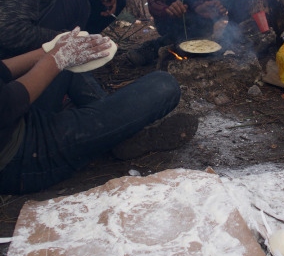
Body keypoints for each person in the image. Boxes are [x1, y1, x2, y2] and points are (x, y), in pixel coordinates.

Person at [0, 27, 198, 195]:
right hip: (20, 154)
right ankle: (120, 136)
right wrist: (56, 58)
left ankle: (114, 133)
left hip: (17, 118)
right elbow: (8, 105)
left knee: (70, 66)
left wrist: (49, 51)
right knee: (164, 85)